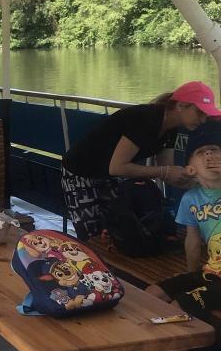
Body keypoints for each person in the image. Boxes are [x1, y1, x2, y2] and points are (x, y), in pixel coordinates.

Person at [118, 125, 221, 351]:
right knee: (152, 294)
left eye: (216, 151)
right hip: (211, 272)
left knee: (178, 308)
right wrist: (191, 276)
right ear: (190, 169)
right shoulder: (191, 199)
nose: (210, 154)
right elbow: (192, 241)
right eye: (202, 152)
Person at [62, 82, 221, 240]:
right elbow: (117, 167)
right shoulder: (146, 119)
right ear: (180, 106)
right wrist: (164, 172)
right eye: (199, 112)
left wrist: (195, 180)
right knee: (91, 236)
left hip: (106, 174)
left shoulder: (171, 128)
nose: (203, 120)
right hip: (80, 171)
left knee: (117, 228)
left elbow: (168, 170)